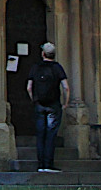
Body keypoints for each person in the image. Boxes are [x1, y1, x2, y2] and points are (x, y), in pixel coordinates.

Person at [26, 43, 69, 172]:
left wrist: (34, 100)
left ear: (43, 54)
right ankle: (48, 164)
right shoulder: (57, 68)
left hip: (39, 105)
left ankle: (41, 165)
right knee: (51, 134)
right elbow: (66, 87)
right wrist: (65, 103)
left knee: (41, 134)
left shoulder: (35, 68)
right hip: (54, 105)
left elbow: (29, 87)